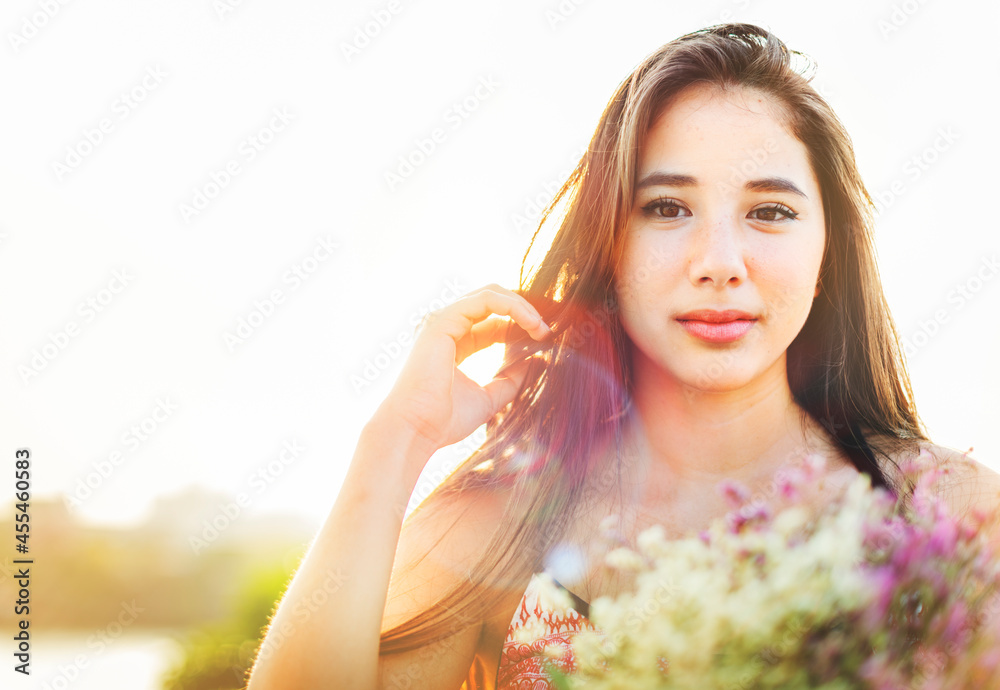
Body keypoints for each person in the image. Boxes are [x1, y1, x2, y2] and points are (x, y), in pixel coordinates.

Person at [246, 23, 1000, 690]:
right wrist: (395, 444)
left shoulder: (952, 516)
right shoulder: (502, 524)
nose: (720, 261)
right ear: (610, 238)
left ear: (828, 249)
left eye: (770, 212)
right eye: (667, 208)